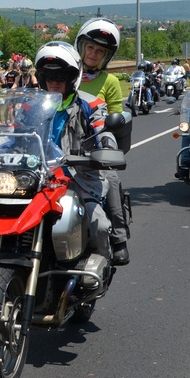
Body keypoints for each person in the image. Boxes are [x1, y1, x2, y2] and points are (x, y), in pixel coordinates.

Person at [35, 41, 118, 259]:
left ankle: (98, 267)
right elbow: (12, 134)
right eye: (49, 76)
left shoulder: (89, 104)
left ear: (72, 78)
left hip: (78, 178)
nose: (55, 82)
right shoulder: (29, 106)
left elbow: (103, 130)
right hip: (36, 180)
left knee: (98, 224)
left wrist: (107, 147)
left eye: (61, 76)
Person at [74, 17, 131, 265]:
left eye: (100, 51)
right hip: (57, 141)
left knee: (112, 179)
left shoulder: (110, 82)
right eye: (90, 48)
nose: (94, 54)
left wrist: (107, 142)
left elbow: (115, 115)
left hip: (92, 144)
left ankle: (118, 237)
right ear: (81, 47)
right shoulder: (64, 74)